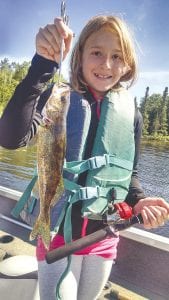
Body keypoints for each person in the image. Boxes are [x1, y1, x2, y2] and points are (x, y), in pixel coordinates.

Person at [0, 15, 169, 300]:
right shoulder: (59, 98)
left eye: (117, 56)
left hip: (103, 239)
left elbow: (131, 173)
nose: (106, 65)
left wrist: (139, 200)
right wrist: (42, 65)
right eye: (96, 53)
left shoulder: (132, 114)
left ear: (127, 65)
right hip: (55, 235)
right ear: (78, 56)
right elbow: (10, 138)